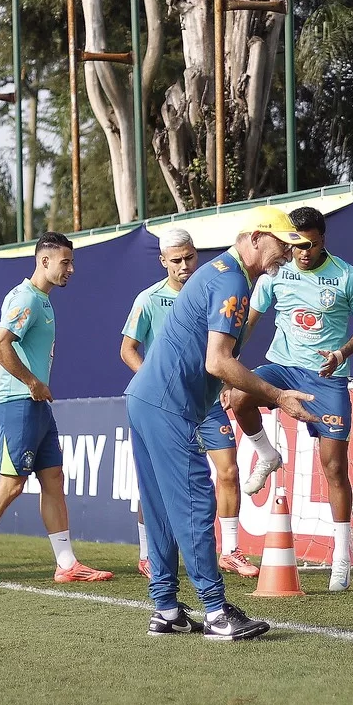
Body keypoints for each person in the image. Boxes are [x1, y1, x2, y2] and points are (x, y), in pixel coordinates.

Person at [128, 206, 317, 639]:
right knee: (194, 503)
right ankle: (215, 611)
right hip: (166, 406)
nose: (287, 256)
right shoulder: (230, 278)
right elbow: (218, 361)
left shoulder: (223, 274)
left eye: (293, 248)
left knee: (160, 510)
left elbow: (216, 353)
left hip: (146, 400)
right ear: (254, 238)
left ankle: (167, 610)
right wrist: (277, 396)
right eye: (282, 246)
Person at [0, 233, 116, 586]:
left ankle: (67, 564)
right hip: (19, 403)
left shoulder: (41, 299)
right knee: (11, 485)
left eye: (72, 262)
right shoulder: (27, 298)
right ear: (44, 261)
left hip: (35, 405)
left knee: (53, 479)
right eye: (65, 262)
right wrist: (31, 383)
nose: (71, 268)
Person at [231, 206, 353, 590]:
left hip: (326, 378)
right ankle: (268, 455)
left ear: (322, 241)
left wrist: (342, 353)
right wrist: (227, 360)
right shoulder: (276, 274)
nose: (302, 252)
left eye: (310, 245)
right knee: (239, 396)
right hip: (280, 366)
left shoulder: (348, 276)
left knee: (334, 467)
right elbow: (250, 320)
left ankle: (343, 559)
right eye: (296, 245)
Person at [119, 226, 252, 580]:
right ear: (163, 261)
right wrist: (157, 380)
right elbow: (127, 349)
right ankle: (153, 557)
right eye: (175, 260)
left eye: (189, 257)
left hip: (205, 401)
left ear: (198, 254)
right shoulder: (148, 299)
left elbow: (221, 351)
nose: (184, 265)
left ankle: (232, 550)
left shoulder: (214, 289)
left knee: (228, 470)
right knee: (161, 487)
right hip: (166, 402)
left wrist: (225, 382)